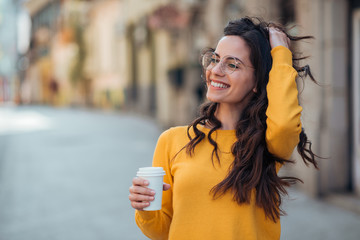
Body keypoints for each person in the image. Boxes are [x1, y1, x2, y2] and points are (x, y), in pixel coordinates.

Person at [129, 17, 318, 240]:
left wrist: (280, 52)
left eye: (232, 65)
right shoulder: (172, 140)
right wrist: (145, 207)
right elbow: (161, 231)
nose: (216, 70)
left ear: (257, 81)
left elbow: (286, 124)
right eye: (215, 59)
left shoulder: (266, 143)